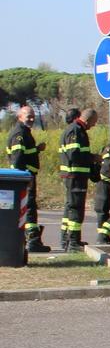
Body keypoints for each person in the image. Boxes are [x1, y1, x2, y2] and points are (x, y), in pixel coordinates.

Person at [6, 104, 49, 252]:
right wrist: (24, 178)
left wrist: (36, 149)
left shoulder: (25, 132)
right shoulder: (19, 133)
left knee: (30, 208)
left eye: (32, 116)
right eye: (28, 116)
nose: (31, 118)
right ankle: (33, 241)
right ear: (20, 117)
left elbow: (25, 154)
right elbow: (17, 160)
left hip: (27, 177)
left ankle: (32, 240)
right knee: (29, 209)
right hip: (24, 179)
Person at [58, 108, 98, 252]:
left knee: (70, 207)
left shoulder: (76, 130)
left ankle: (66, 240)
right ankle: (73, 242)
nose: (93, 126)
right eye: (93, 123)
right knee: (75, 208)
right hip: (75, 176)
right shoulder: (76, 131)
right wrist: (92, 158)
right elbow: (74, 154)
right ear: (87, 120)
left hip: (74, 176)